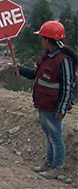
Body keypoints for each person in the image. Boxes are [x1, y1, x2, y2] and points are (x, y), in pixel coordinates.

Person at [18, 20, 77, 179]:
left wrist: (62, 109)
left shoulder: (64, 60)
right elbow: (35, 75)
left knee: (56, 137)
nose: (41, 41)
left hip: (53, 107)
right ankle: (49, 162)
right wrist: (20, 70)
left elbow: (67, 87)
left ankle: (58, 166)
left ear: (48, 40)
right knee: (48, 134)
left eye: (43, 38)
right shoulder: (46, 56)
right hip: (43, 104)